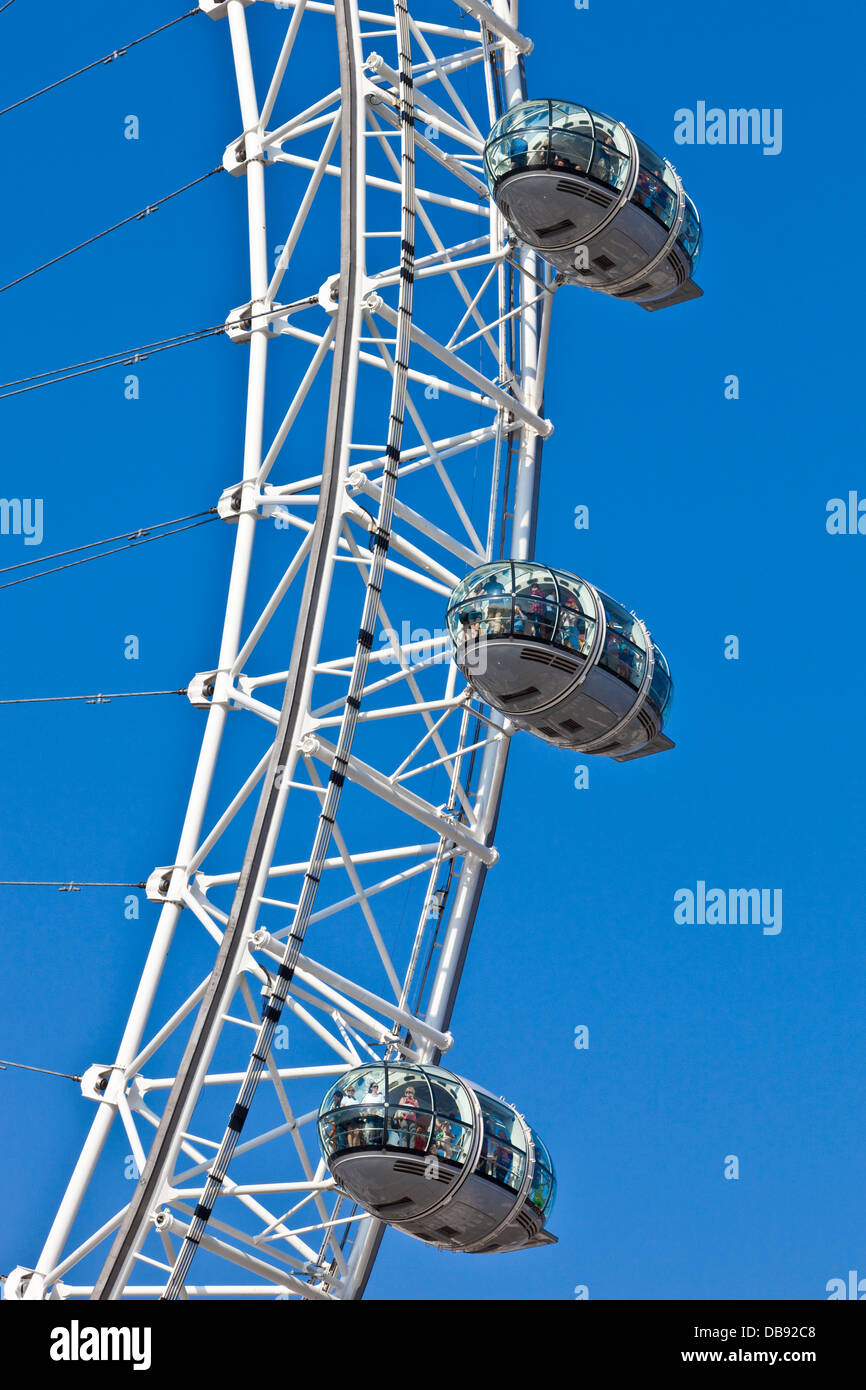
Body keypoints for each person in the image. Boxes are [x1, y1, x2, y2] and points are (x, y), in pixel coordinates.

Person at [359, 1080, 384, 1147]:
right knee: (371, 1131)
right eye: (374, 1086)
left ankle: (378, 1146)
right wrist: (364, 1112)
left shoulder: (380, 1096)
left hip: (379, 1116)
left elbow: (383, 1107)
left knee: (378, 1132)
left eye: (377, 1086)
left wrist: (377, 1110)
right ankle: (370, 1145)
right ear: (371, 1088)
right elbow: (363, 1105)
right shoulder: (368, 1096)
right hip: (370, 1116)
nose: (376, 1088)